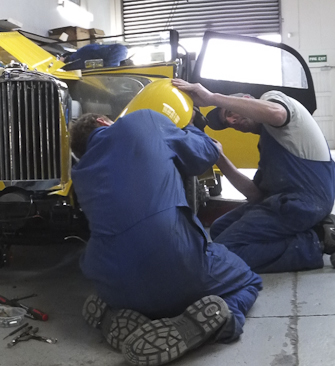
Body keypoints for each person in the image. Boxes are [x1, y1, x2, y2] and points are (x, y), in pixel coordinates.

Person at [70, 110, 263, 366]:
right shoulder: (141, 121)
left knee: (135, 279)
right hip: (176, 264)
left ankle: (113, 313)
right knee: (249, 280)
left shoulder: (80, 173)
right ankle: (222, 320)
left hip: (110, 281)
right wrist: (194, 127)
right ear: (103, 121)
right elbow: (204, 154)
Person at [172, 79, 335, 273]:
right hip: (286, 203)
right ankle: (320, 228)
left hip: (305, 202)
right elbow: (256, 196)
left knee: (228, 250)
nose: (232, 122)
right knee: (219, 230)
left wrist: (211, 98)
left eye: (229, 113)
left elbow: (276, 114)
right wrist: (219, 158)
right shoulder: (269, 145)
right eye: (228, 124)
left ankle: (318, 240)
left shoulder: (273, 100)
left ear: (245, 100)